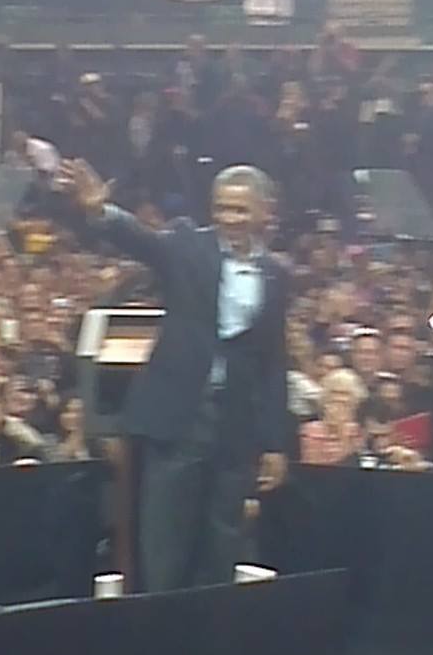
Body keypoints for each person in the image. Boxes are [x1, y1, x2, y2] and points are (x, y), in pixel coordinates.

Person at [61, 158, 290, 592]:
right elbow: (143, 242)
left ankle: (206, 644)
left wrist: (275, 444)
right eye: (222, 208)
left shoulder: (276, 275)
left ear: (266, 212)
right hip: (178, 420)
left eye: (240, 210)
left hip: (234, 427)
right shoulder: (189, 246)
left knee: (220, 546)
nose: (229, 219)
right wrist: (100, 211)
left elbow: (272, 362)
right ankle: (158, 640)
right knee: (164, 545)